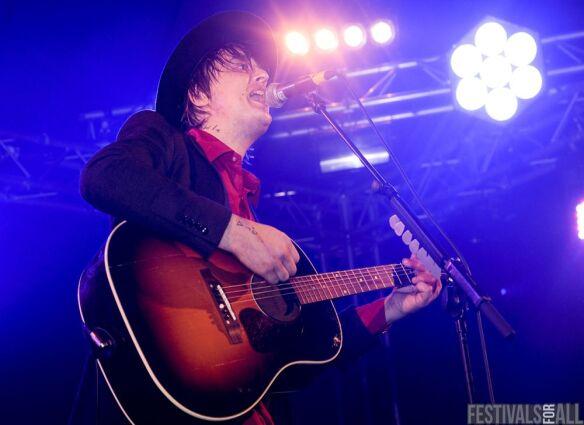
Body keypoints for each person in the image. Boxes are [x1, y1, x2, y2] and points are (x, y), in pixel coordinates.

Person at [79, 11, 441, 425]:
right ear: (198, 94)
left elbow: (299, 355)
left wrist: (390, 309)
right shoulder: (163, 139)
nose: (263, 76)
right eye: (241, 64)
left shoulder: (249, 204)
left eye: (263, 68)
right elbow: (105, 177)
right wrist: (231, 232)